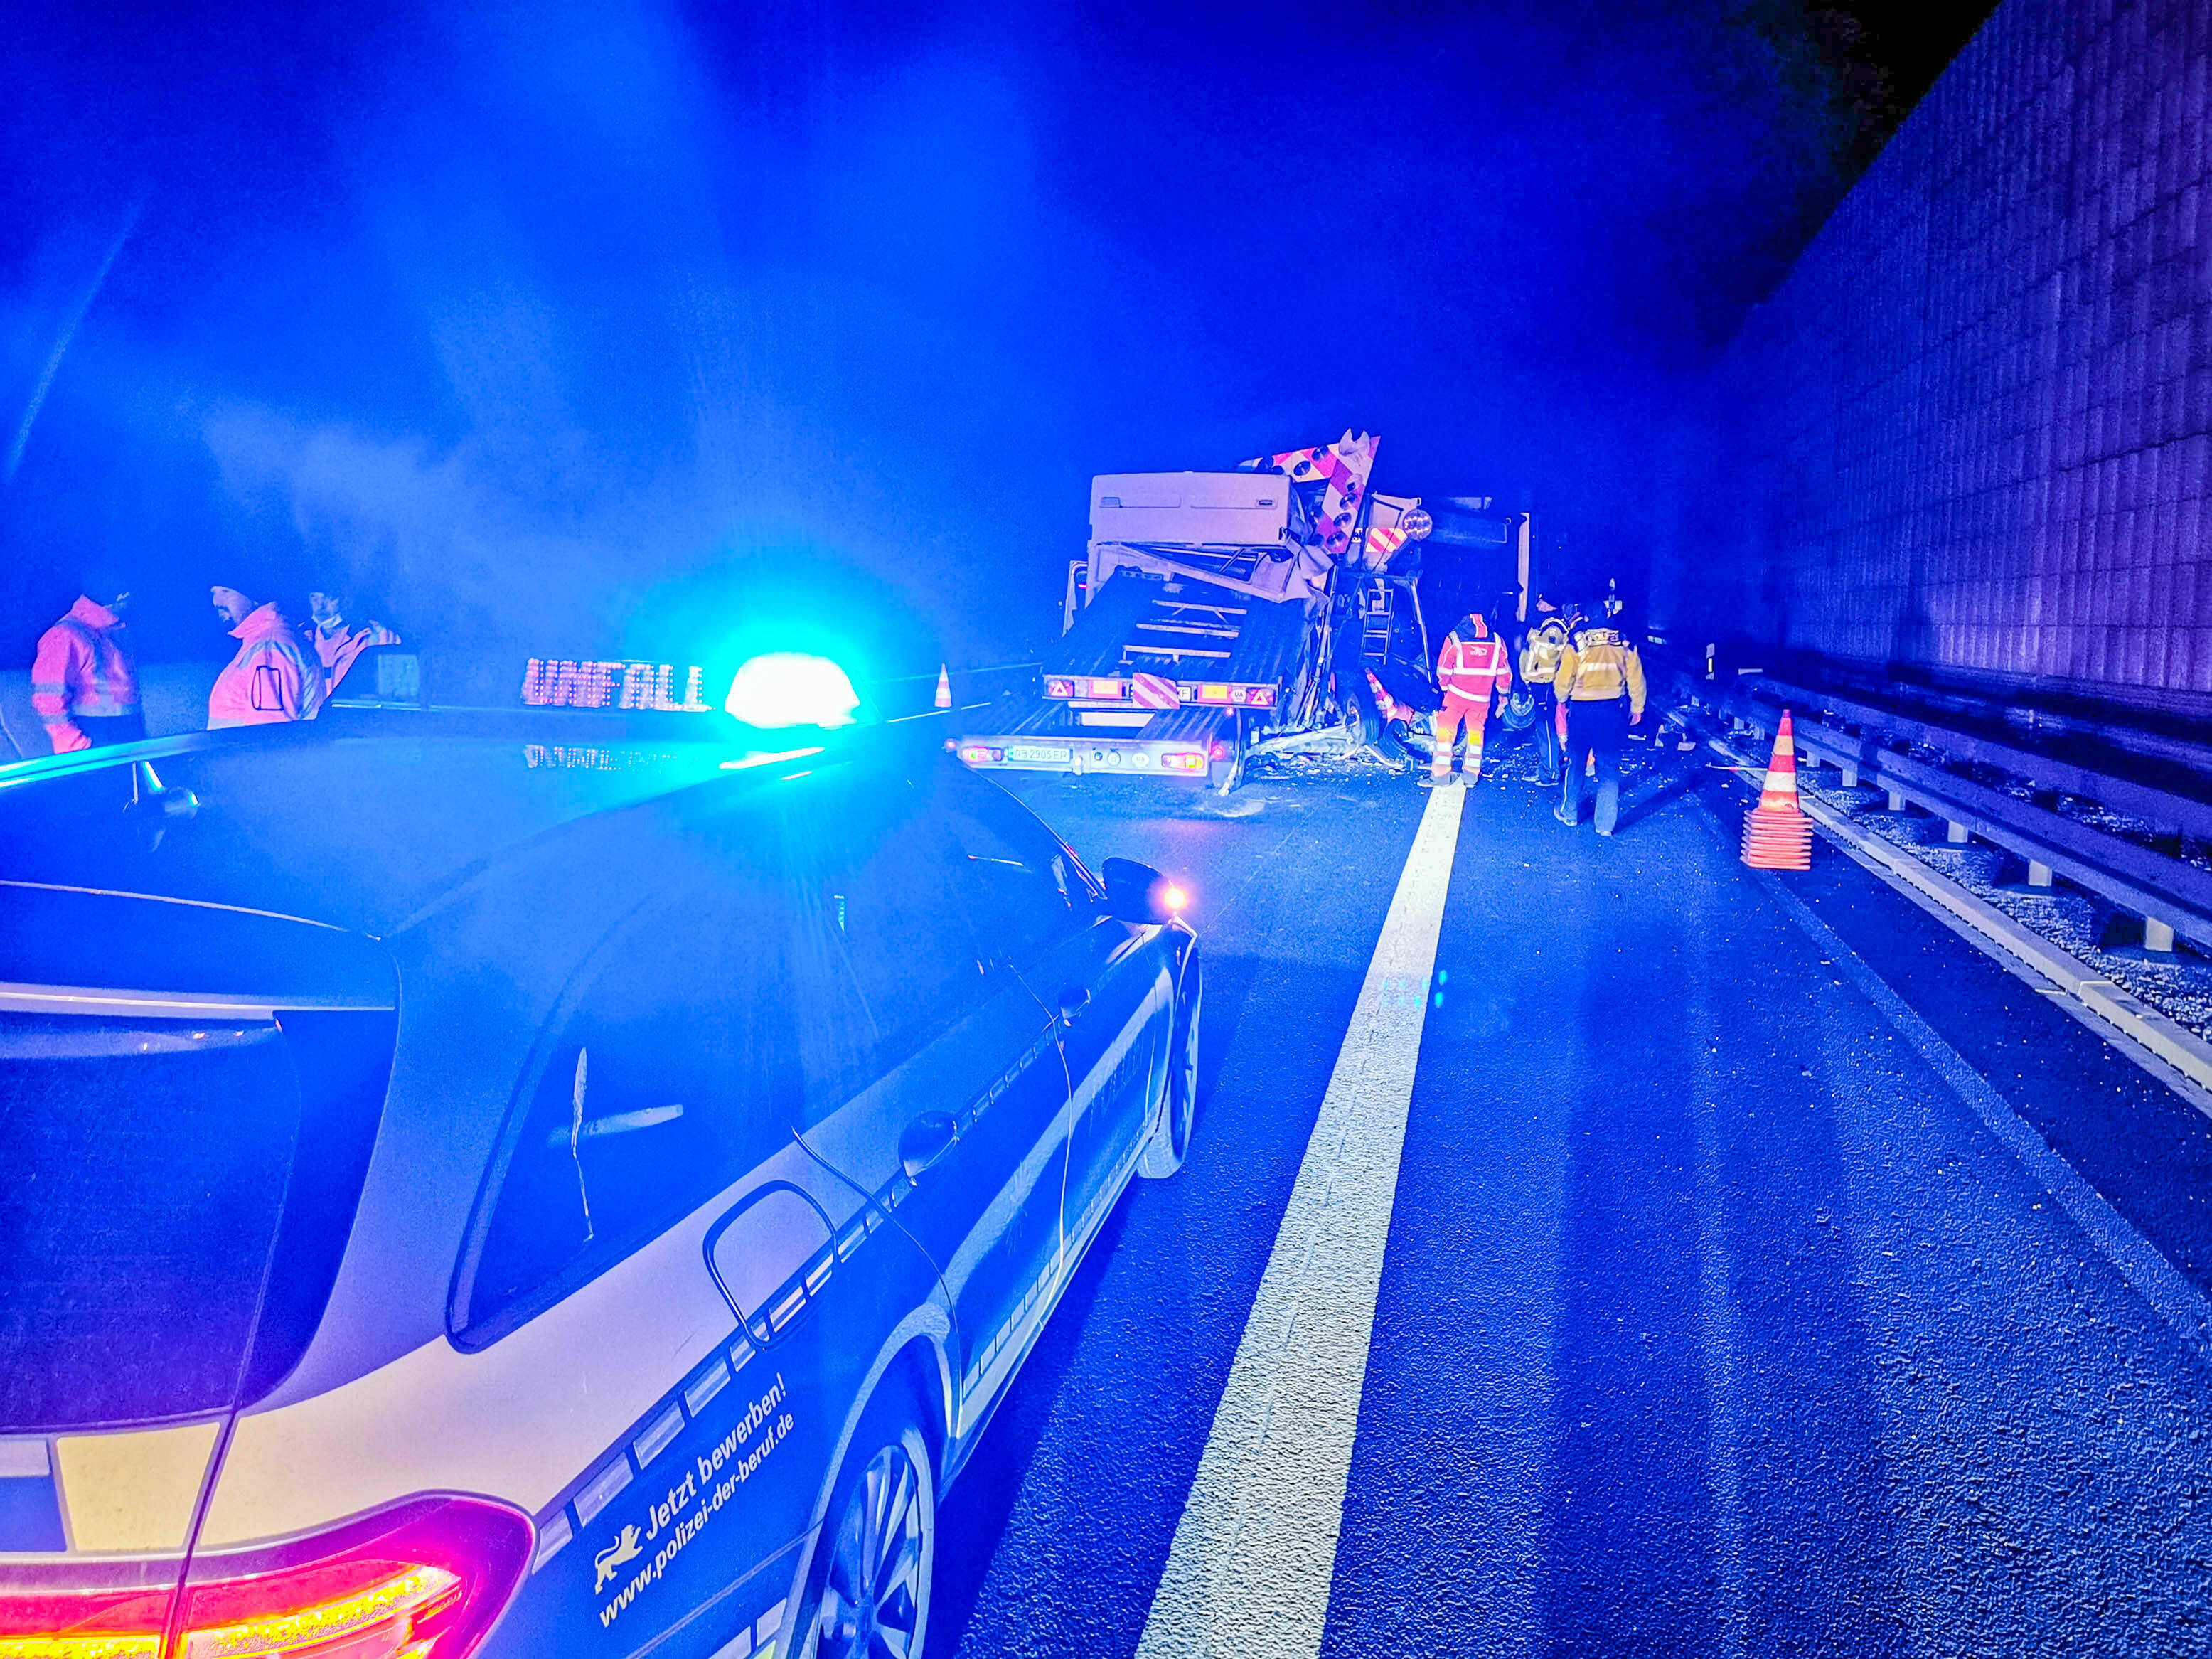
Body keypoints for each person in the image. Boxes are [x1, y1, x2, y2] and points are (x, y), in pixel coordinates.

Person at [1552, 604, 1646, 835]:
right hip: (1612, 713)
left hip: (1582, 713)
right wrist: (1637, 707)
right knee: (1608, 768)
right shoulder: (1624, 641)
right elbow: (1636, 677)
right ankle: (1605, 825)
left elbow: (1564, 678)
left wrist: (1562, 698)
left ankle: (1569, 813)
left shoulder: (1577, 641)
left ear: (1586, 617)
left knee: (1577, 763)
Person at [31, 567, 143, 752]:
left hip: (128, 734)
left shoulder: (115, 632)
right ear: (122, 595)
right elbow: (49, 701)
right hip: (93, 737)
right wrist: (76, 746)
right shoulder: (64, 635)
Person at [209, 584, 325, 728]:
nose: (217, 601)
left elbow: (268, 731)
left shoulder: (270, 646)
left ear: (254, 596)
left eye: (226, 591)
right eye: (214, 593)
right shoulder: (263, 640)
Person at [1429, 609, 1512, 786]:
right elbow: (1504, 671)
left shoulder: (1454, 638)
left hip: (1456, 696)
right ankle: (1471, 776)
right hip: (1482, 699)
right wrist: (1503, 694)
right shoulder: (1497, 641)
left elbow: (1443, 669)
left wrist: (1444, 689)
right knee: (1476, 735)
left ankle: (1441, 776)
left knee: (1445, 733)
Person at [1515, 592, 1570, 785]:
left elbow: (1548, 653)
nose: (1538, 604)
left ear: (1550, 605)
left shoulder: (1553, 628)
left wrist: (1531, 638)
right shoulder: (1547, 625)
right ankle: (1551, 766)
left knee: (1546, 729)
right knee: (1547, 728)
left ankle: (1550, 773)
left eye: (1542, 601)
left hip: (1546, 684)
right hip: (1544, 684)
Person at [306, 588, 402, 696]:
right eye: (314, 598)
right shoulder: (304, 638)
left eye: (329, 598)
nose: (321, 605)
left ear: (343, 600)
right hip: (316, 706)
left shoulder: (370, 635)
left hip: (352, 704)